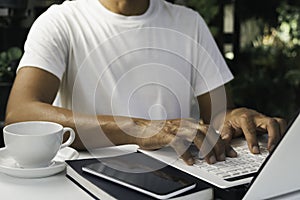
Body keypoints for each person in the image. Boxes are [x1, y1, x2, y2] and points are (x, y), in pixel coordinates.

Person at [5, 0, 286, 165]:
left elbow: (219, 116)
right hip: (86, 181)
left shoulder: (190, 22)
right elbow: (21, 113)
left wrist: (236, 118)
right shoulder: (61, 21)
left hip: (184, 179)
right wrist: (141, 128)